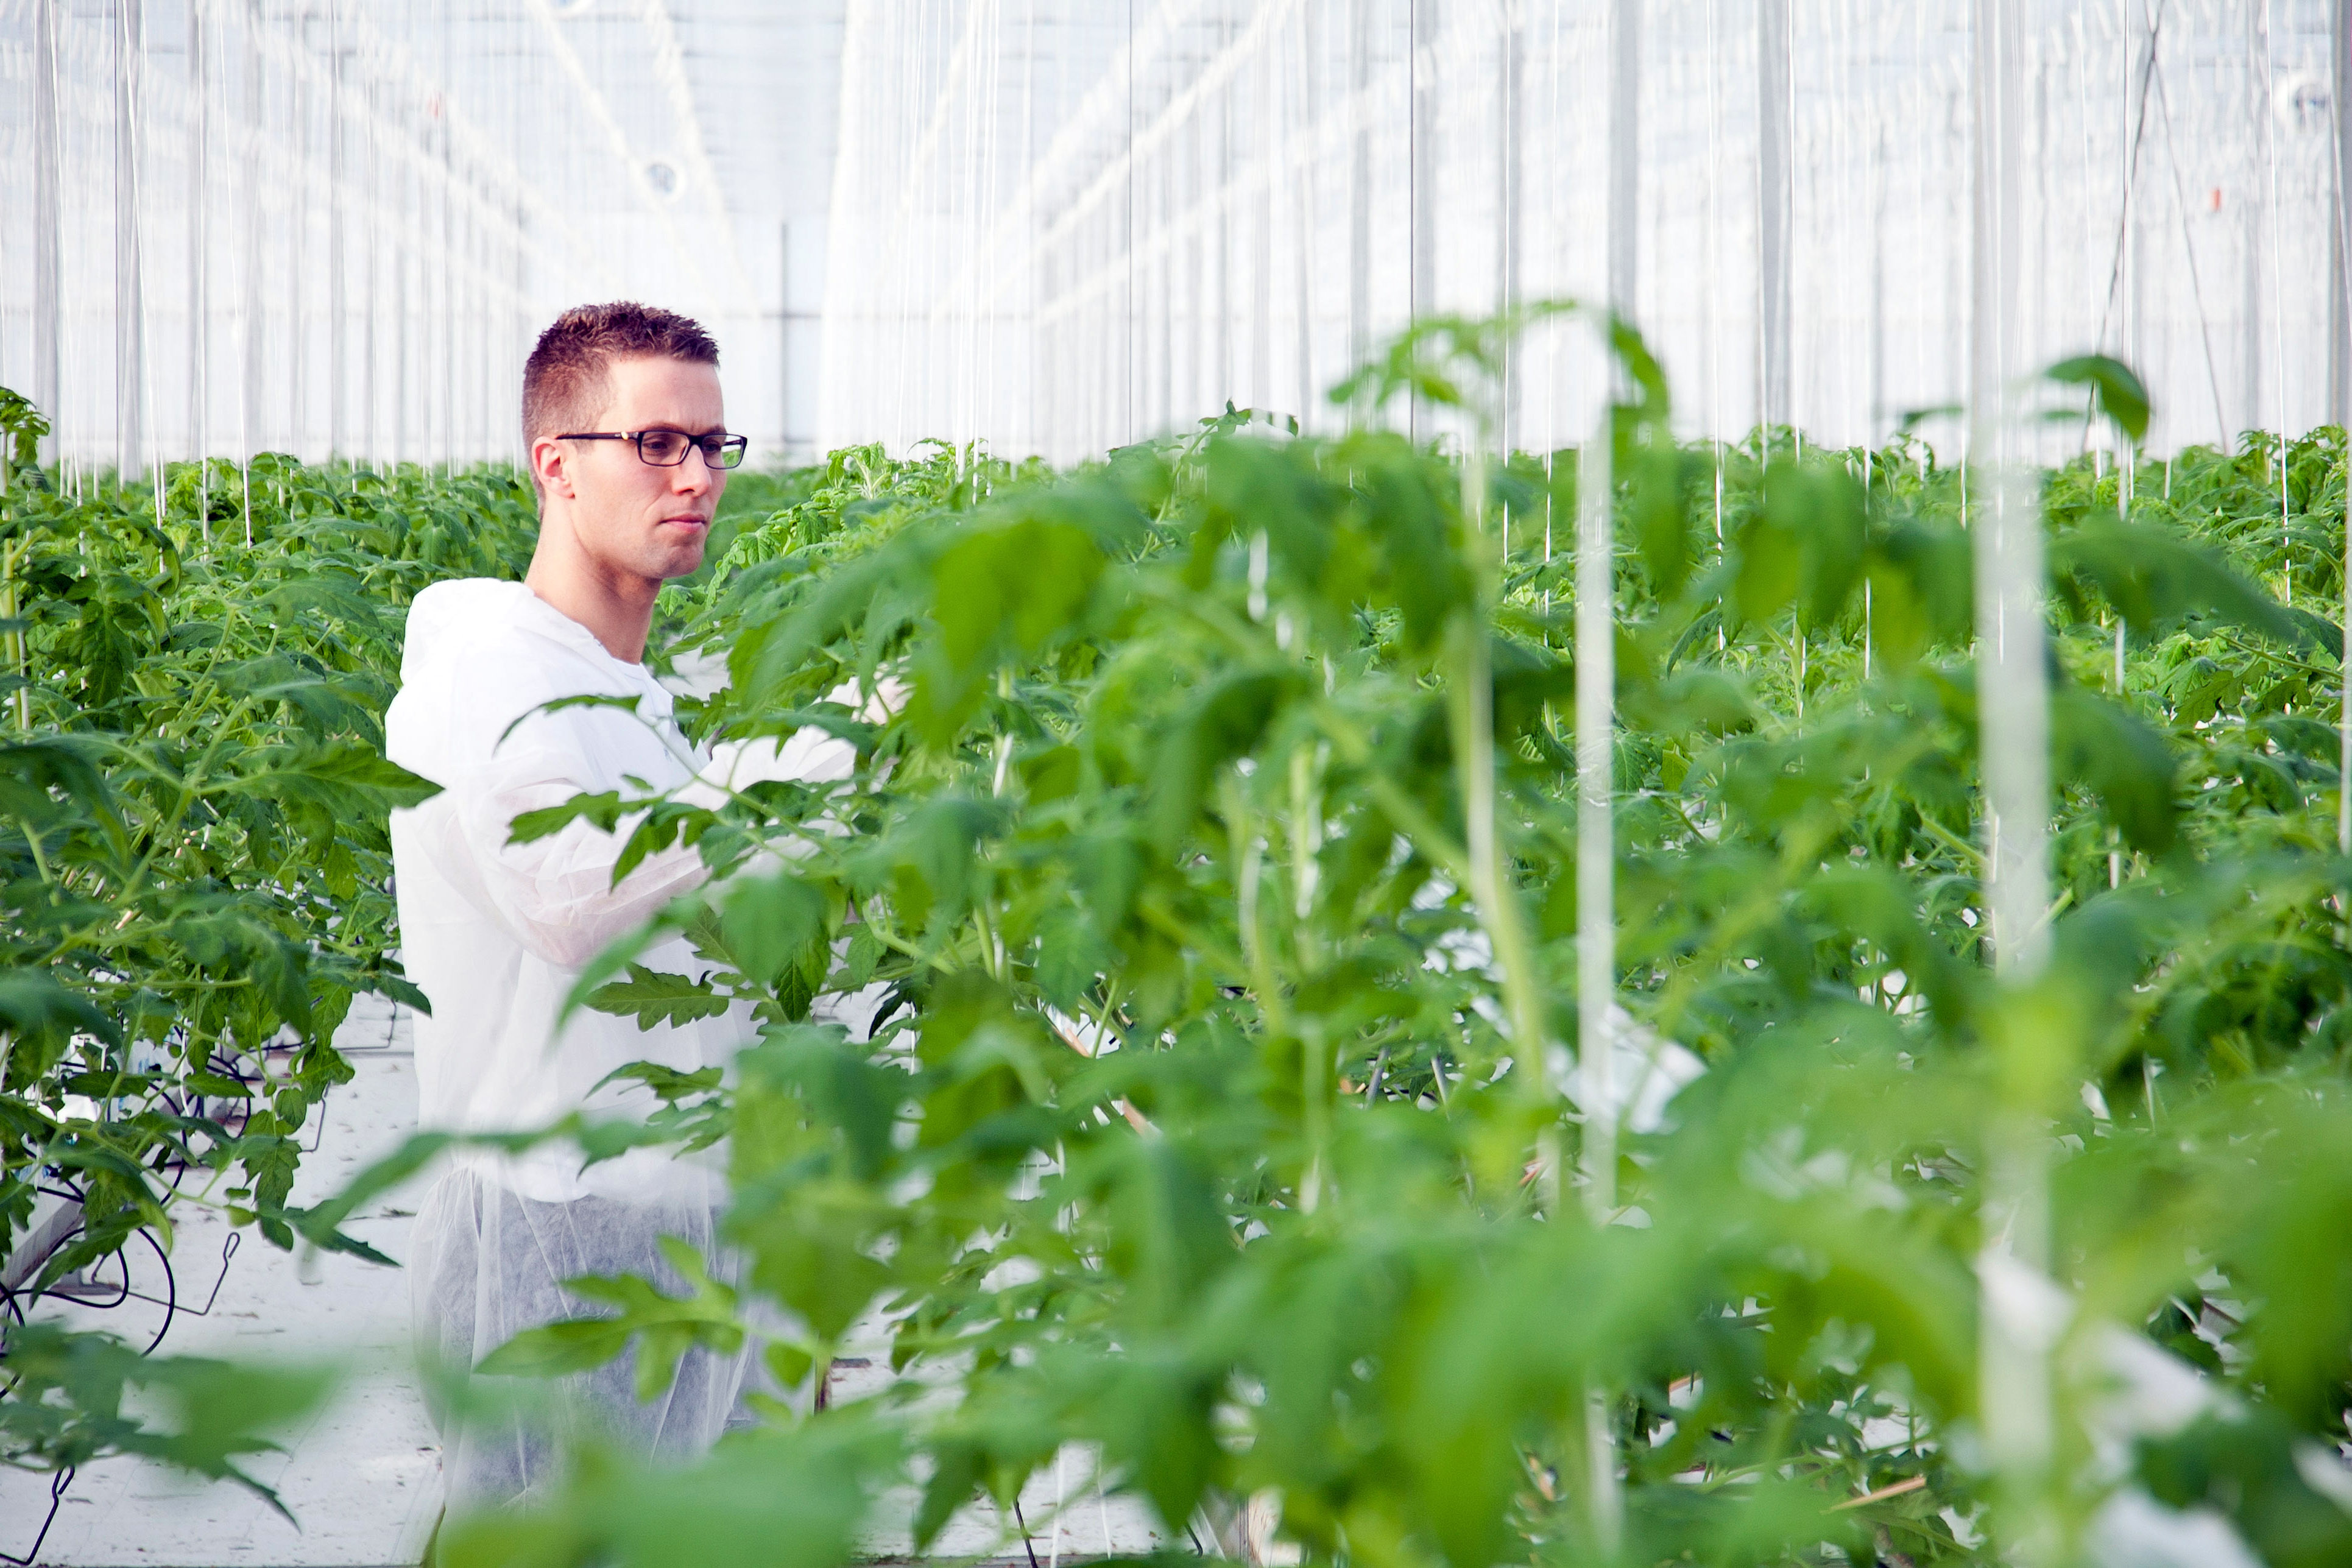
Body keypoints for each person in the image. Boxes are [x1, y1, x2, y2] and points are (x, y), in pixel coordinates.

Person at [385, 302, 763, 1511]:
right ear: (556, 464)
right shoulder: (491, 671)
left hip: (662, 1204)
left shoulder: (626, 693)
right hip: (555, 1226)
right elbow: (568, 896)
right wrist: (782, 778)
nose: (696, 475)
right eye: (654, 443)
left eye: (712, 445)